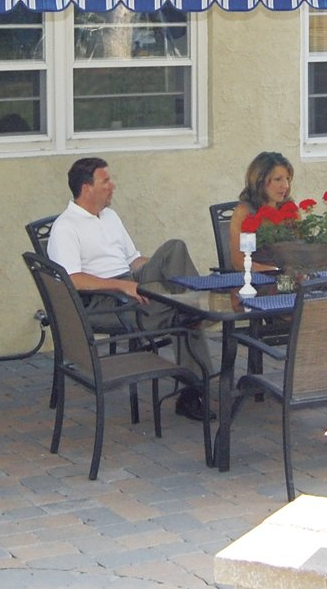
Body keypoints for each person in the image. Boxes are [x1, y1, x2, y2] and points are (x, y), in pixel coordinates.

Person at [46, 157, 212, 421]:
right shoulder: (66, 227)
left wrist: (163, 270)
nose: (113, 185)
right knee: (183, 315)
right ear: (86, 188)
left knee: (174, 249)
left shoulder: (110, 216)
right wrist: (121, 285)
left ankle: (193, 308)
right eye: (106, 181)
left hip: (130, 284)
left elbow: (135, 261)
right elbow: (72, 280)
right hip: (103, 299)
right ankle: (197, 389)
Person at [228, 151, 295, 271]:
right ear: (259, 181)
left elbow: (300, 252)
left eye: (287, 179)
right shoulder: (244, 212)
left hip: (288, 280)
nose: (285, 186)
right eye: (278, 179)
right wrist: (275, 272)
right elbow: (238, 262)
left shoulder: (290, 210)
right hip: (256, 281)